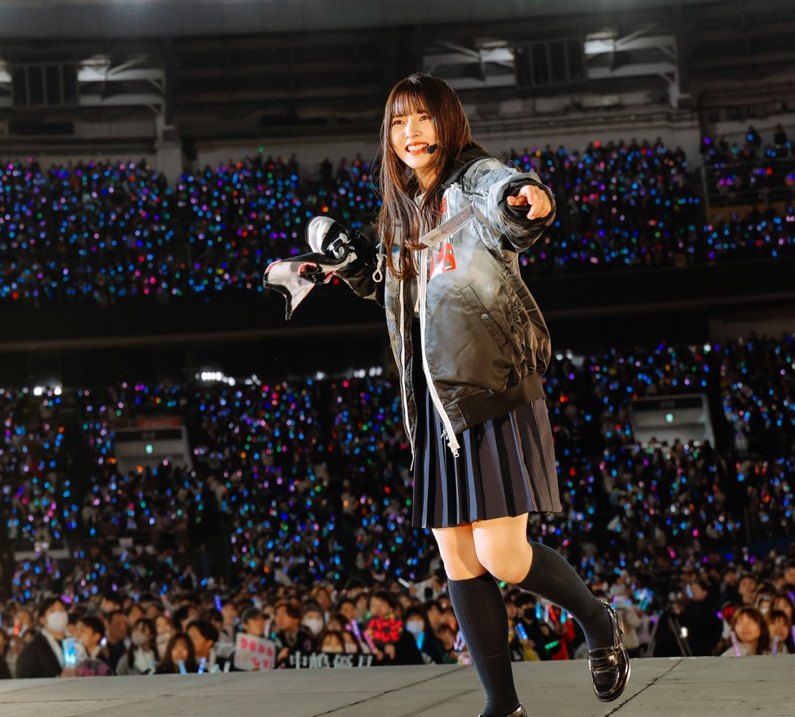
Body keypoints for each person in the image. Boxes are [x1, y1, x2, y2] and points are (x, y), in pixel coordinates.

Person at [266, 73, 629, 717]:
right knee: (458, 557)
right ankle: (502, 706)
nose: (410, 132)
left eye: (423, 117)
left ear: (448, 122)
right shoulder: (402, 207)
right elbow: (390, 283)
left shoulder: (474, 177)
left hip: (492, 387)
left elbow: (508, 199)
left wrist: (528, 198)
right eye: (398, 121)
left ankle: (599, 623)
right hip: (431, 403)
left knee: (503, 556)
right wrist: (341, 267)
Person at [14, 597, 71, 679]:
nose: (59, 614)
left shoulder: (75, 643)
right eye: (53, 611)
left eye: (61, 610)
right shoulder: (31, 651)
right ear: (42, 619)